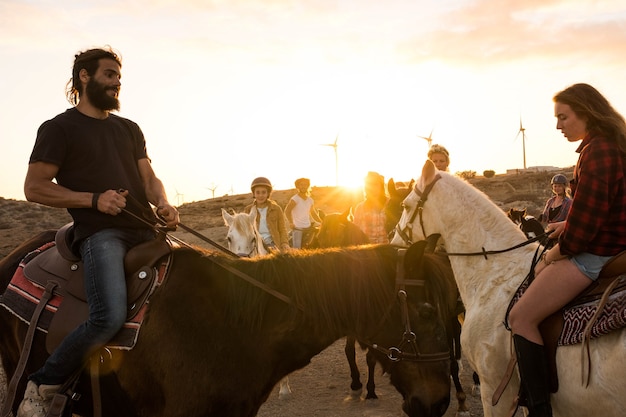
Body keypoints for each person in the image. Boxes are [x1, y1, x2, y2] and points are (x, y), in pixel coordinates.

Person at [18, 47, 179, 417]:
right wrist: (94, 200)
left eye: (119, 77)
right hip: (101, 234)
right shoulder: (59, 128)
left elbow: (149, 178)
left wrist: (164, 204)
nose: (116, 83)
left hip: (146, 231)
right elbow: (35, 186)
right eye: (109, 75)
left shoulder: (129, 128)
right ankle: (42, 385)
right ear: (84, 77)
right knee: (107, 316)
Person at [509, 83, 626, 417]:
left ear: (585, 113)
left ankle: (540, 409)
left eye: (563, 117)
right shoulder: (610, 145)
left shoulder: (598, 151)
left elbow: (584, 234)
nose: (558, 125)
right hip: (612, 241)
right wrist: (565, 224)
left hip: (597, 253)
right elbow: (603, 207)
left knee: (521, 317)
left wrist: (553, 253)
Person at [244, 177, 290, 252]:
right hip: (255, 246)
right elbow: (244, 230)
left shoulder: (276, 209)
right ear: (254, 194)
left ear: (268, 193)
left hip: (272, 244)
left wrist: (284, 243)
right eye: (258, 192)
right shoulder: (248, 210)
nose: (260, 195)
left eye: (263, 192)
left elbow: (282, 229)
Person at [284, 178, 322, 248]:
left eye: (305, 185)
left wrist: (322, 222)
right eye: (301, 185)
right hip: (298, 228)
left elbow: (313, 213)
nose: (303, 186)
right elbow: (287, 211)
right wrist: (290, 222)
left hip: (308, 227)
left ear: (308, 186)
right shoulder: (295, 199)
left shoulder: (310, 200)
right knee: (297, 250)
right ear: (297, 186)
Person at [353, 171, 389, 244]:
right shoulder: (360, 208)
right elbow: (354, 234)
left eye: (375, 184)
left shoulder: (390, 205)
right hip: (367, 251)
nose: (372, 188)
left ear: (381, 186)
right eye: (369, 185)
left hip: (387, 249)